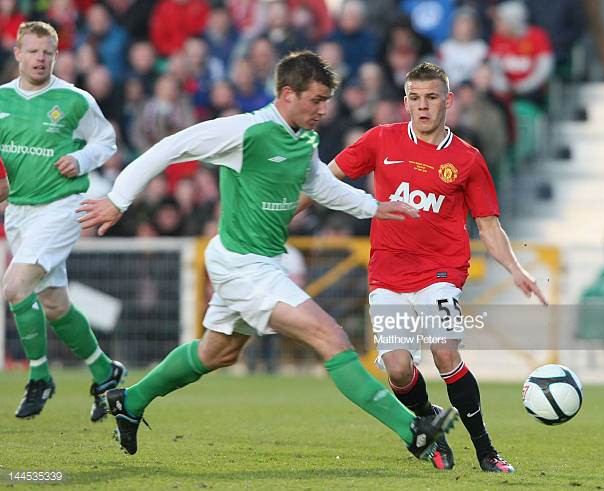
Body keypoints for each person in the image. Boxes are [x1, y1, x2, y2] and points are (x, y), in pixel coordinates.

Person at [78, 50, 458, 458]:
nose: (322, 110)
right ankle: (412, 431)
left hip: (256, 261)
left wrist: (373, 207)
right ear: (287, 94)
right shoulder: (247, 131)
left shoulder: (304, 139)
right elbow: (170, 147)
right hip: (243, 265)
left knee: (217, 351)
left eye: (327, 101)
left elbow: (318, 185)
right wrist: (118, 199)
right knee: (330, 336)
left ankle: (129, 403)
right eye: (316, 100)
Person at [321, 62, 547, 473]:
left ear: (448, 100)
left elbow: (488, 225)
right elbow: (325, 178)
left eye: (432, 97)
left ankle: (486, 451)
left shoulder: (467, 159)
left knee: (445, 352)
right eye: (415, 98)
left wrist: (517, 270)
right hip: (387, 273)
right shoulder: (381, 140)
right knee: (398, 369)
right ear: (405, 102)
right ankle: (428, 419)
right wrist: (286, 212)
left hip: (441, 272)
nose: (423, 106)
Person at [0, 21, 126, 421]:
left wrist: (81, 159)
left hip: (61, 207)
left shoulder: (73, 100)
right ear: (18, 53)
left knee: (15, 286)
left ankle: (39, 377)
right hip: (19, 212)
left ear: (56, 55)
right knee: (54, 305)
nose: (40, 59)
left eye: (48, 53)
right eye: (33, 51)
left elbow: (105, 140)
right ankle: (106, 372)